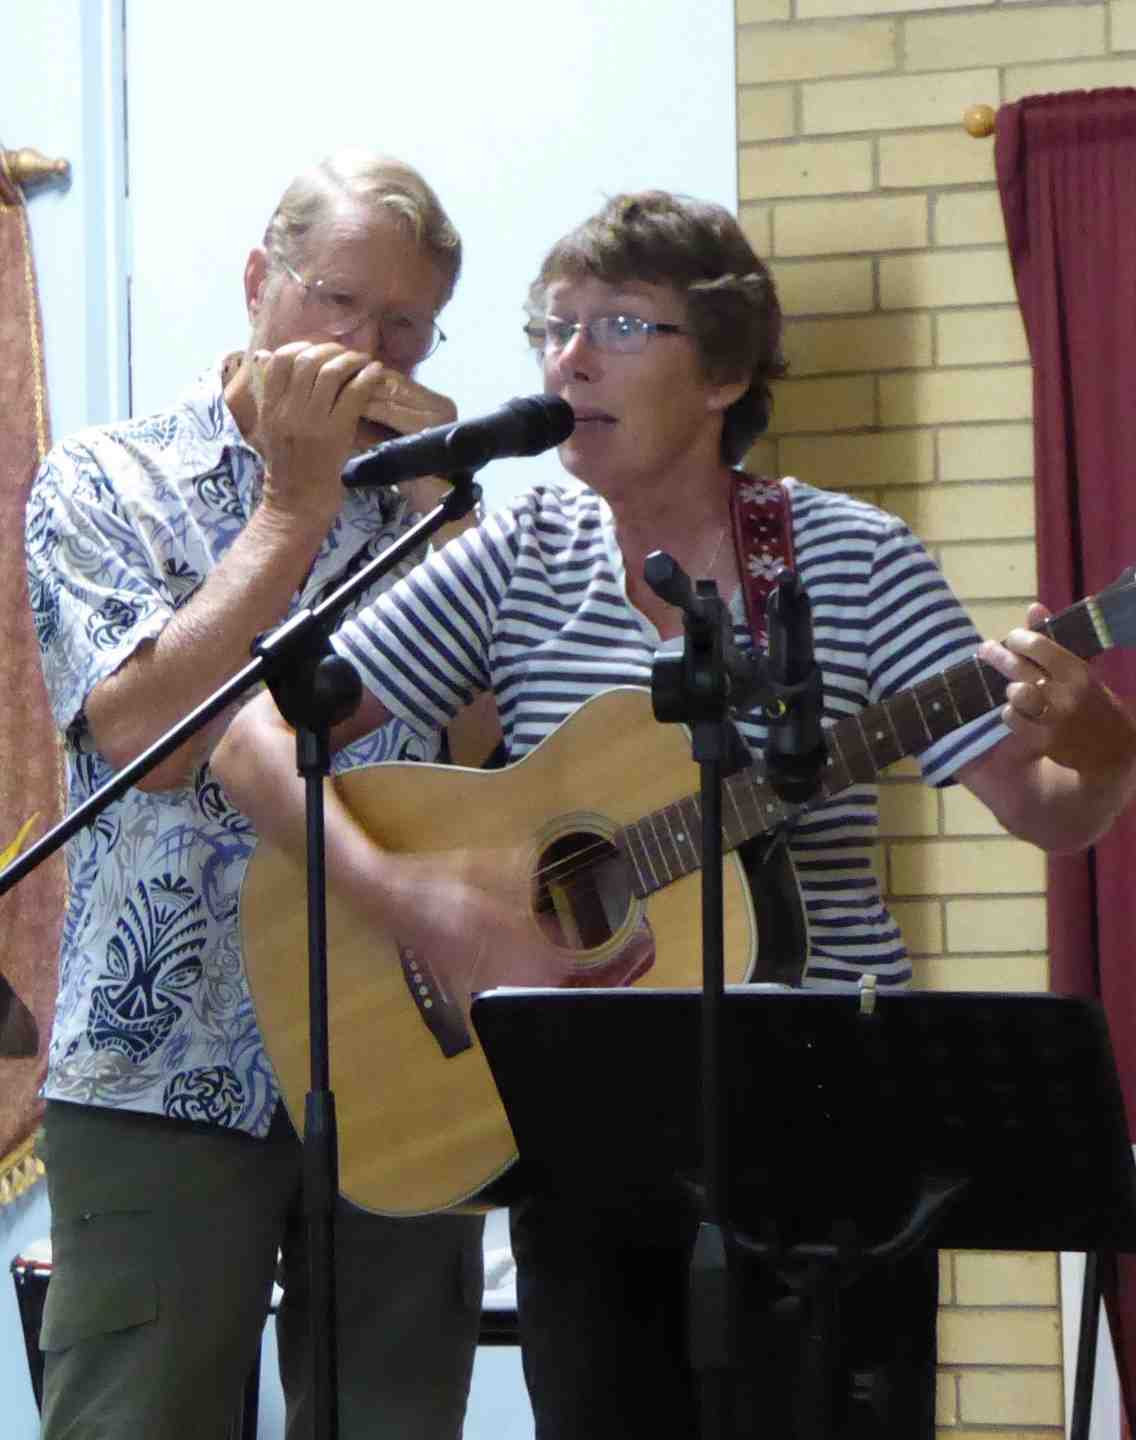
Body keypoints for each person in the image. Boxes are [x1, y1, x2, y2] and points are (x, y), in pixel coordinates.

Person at [211, 189, 1136, 1438]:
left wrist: (1105, 740)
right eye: (556, 326)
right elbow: (251, 739)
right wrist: (415, 902)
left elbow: (1048, 813)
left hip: (828, 1128)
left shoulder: (851, 560)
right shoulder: (515, 550)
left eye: (620, 328)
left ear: (726, 376)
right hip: (583, 1124)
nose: (569, 359)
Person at [25, 150, 494, 1440]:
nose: (366, 346)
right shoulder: (103, 481)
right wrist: (293, 504)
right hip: (162, 1062)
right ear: (256, 284)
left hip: (400, 1045)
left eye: (404, 324)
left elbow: (486, 761)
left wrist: (442, 527)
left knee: (396, 1419)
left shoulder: (436, 501)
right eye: (340, 303)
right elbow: (147, 739)